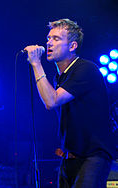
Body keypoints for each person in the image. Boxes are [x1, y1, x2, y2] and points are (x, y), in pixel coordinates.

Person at [24, 18, 115, 187]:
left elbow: (52, 101)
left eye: (56, 39)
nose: (49, 43)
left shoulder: (86, 68)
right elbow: (48, 102)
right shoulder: (59, 77)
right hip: (70, 158)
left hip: (93, 156)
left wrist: (36, 63)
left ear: (72, 46)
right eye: (49, 38)